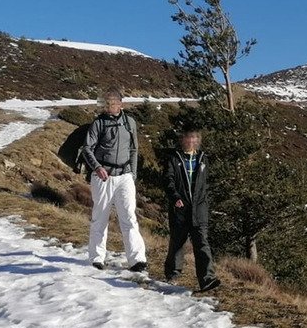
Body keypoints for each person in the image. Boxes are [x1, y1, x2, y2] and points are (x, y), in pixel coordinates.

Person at [80, 88, 148, 272]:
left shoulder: (130, 122)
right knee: (99, 217)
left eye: (112, 102)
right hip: (103, 177)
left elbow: (134, 149)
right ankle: (96, 258)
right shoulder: (98, 123)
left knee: (129, 217)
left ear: (120, 104)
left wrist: (132, 174)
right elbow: (87, 148)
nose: (109, 106)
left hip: (125, 176)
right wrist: (97, 167)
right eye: (106, 103)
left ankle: (137, 260)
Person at [163, 126, 220, 292]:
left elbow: (205, 183)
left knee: (202, 243)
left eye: (194, 138)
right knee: (177, 242)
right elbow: (168, 180)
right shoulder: (173, 158)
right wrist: (175, 197)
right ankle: (173, 274)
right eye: (188, 138)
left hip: (199, 208)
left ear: (198, 140)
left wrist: (204, 201)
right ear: (182, 140)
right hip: (180, 208)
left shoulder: (202, 158)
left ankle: (207, 279)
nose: (191, 141)